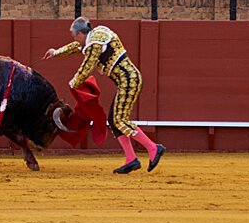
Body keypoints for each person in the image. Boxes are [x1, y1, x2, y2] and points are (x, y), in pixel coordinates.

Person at [43, 17, 165, 174]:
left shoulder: (94, 44)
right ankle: (131, 159)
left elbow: (88, 66)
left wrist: (74, 82)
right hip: (126, 81)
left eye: (75, 35)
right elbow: (76, 47)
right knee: (113, 121)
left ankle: (153, 148)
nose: (74, 39)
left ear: (81, 33)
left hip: (128, 81)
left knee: (119, 120)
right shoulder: (95, 36)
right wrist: (56, 52)